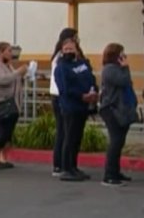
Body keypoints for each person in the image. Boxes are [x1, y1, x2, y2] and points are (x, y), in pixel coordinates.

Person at [54, 35, 98, 182]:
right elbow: (64, 89)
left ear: (77, 50)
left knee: (77, 138)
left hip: (83, 107)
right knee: (69, 137)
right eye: (66, 49)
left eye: (71, 48)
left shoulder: (83, 64)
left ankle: (74, 166)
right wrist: (81, 96)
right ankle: (66, 168)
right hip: (70, 107)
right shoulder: (61, 68)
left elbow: (91, 79)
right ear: (61, 51)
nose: (68, 51)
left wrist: (93, 91)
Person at [99, 42, 137, 187]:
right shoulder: (109, 70)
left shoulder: (117, 69)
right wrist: (126, 67)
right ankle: (109, 174)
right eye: (122, 54)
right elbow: (124, 81)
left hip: (122, 108)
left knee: (120, 141)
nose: (124, 56)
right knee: (115, 141)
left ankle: (116, 171)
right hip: (112, 109)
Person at [0, 41, 26, 169]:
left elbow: (14, 79)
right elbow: (3, 80)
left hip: (12, 102)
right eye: (8, 50)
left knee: (8, 133)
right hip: (1, 102)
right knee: (3, 131)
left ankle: (2, 157)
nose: (11, 53)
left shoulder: (7, 65)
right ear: (0, 52)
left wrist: (21, 75)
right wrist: (18, 72)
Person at [48, 27, 79, 177]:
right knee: (62, 131)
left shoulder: (73, 56)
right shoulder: (60, 58)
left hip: (63, 95)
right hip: (59, 95)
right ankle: (58, 164)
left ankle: (66, 163)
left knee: (67, 131)